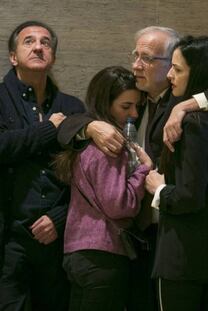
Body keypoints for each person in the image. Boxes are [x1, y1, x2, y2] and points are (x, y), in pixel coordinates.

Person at [57, 26, 208, 311]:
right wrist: (90, 125)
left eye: (147, 58)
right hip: (138, 233)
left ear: (172, 63)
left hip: (180, 230)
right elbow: (71, 123)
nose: (136, 65)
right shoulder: (132, 93)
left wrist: (184, 106)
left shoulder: (186, 100)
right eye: (135, 55)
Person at [145, 35, 208, 311]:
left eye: (178, 69)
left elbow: (189, 197)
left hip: (186, 255)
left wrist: (158, 189)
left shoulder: (192, 125)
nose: (169, 75)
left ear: (198, 72)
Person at [0, 20, 85, 311]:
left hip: (56, 237)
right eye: (29, 41)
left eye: (45, 42)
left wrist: (59, 218)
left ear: (54, 57)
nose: (38, 46)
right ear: (13, 56)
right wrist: (49, 130)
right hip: (8, 239)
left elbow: (84, 176)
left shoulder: (72, 107)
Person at [54, 66, 152, 311]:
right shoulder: (109, 143)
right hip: (103, 252)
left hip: (77, 251)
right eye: (125, 106)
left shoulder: (86, 140)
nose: (134, 114)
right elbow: (119, 205)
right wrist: (143, 170)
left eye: (137, 106)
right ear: (105, 103)